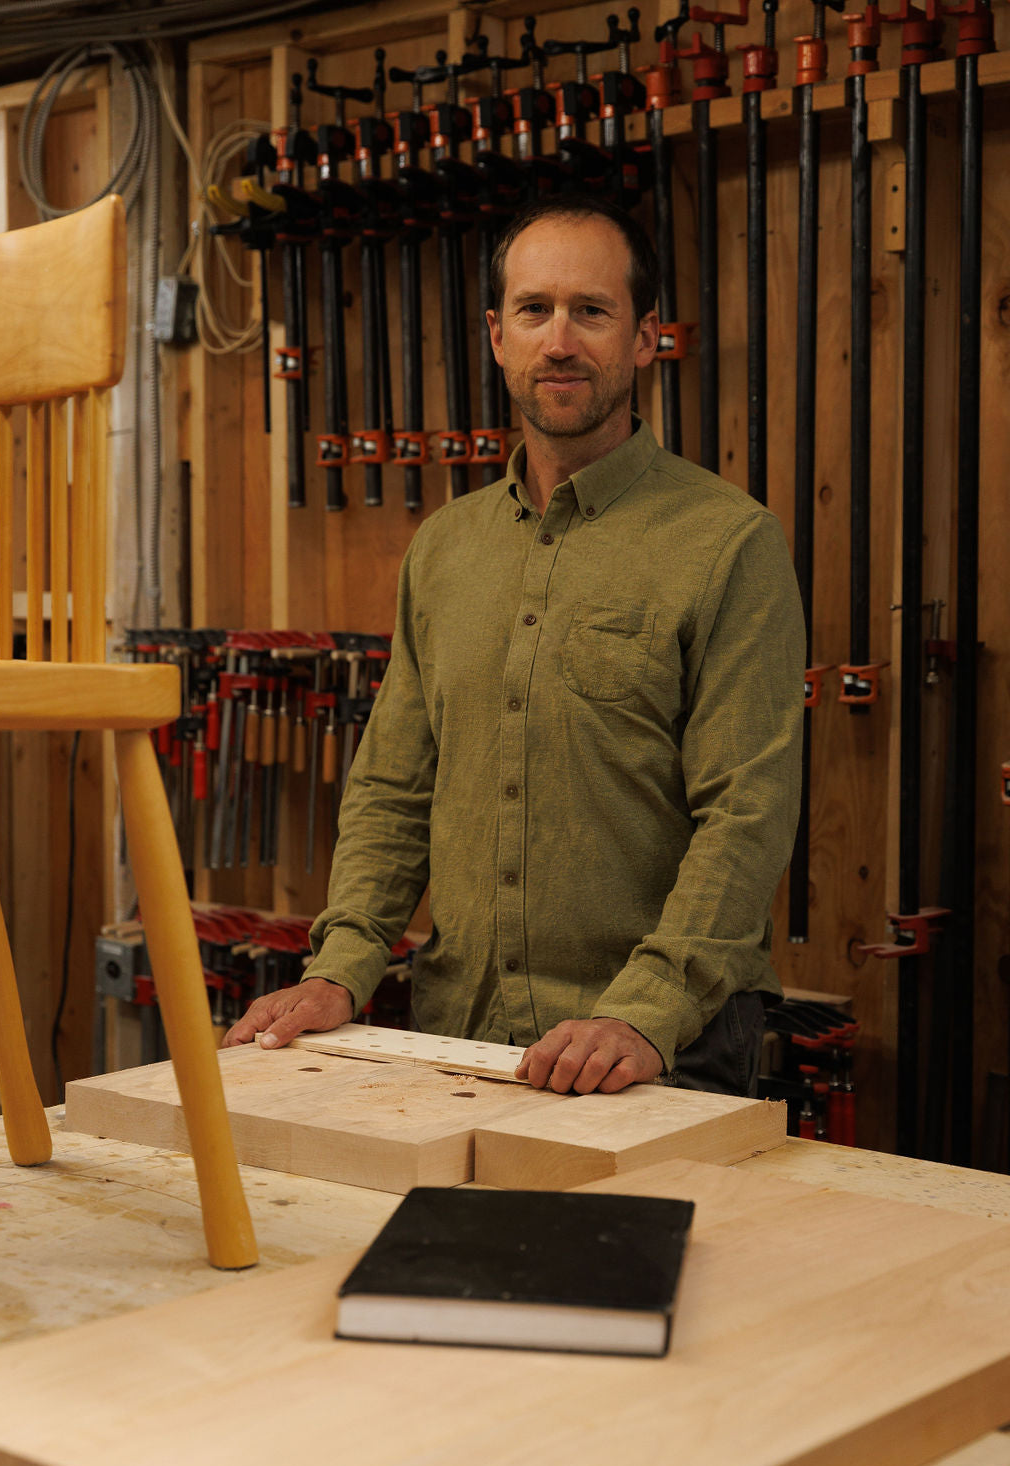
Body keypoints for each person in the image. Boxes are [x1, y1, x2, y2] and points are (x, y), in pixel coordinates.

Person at [223, 193, 805, 1098]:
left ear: (646, 337)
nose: (560, 340)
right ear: (498, 335)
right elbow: (392, 788)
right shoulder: (445, 550)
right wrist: (341, 967)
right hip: (458, 1031)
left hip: (660, 1048)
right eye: (535, 311)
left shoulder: (728, 543)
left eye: (592, 311)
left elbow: (748, 813)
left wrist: (645, 1009)